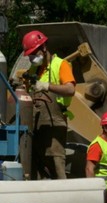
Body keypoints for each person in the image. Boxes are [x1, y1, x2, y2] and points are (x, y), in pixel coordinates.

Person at [22, 30, 76, 179]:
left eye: (34, 53)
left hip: (54, 126)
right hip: (36, 126)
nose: (32, 58)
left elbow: (70, 89)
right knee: (35, 167)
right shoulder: (34, 69)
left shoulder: (61, 65)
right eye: (30, 55)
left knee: (56, 164)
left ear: (44, 47)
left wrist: (47, 86)